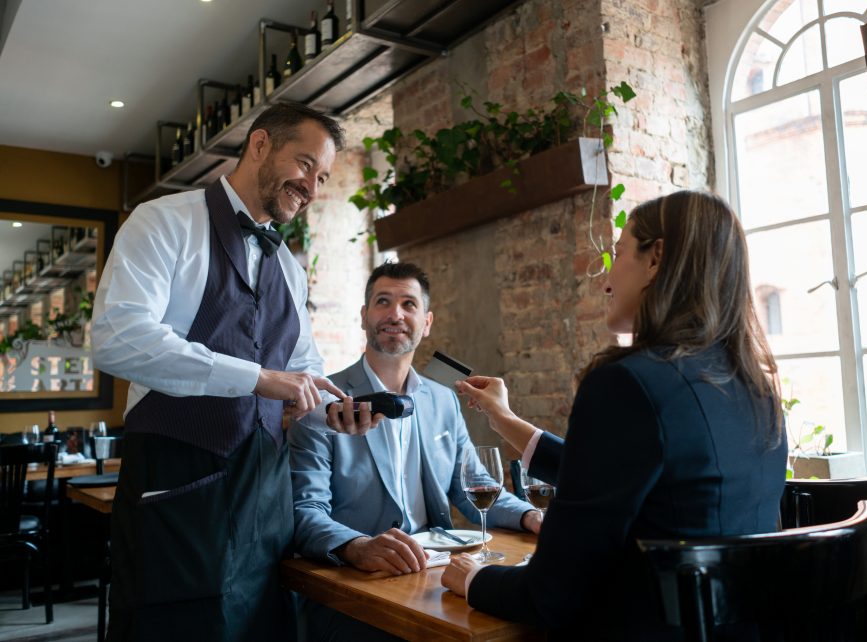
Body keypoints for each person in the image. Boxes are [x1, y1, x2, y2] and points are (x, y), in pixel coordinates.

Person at [441, 190, 789, 639]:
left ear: (655, 259)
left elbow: (551, 594)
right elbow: (640, 480)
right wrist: (507, 421)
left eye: (619, 253)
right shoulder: (755, 388)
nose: (606, 281)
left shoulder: (628, 384)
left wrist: (471, 578)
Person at [92, 102, 381, 642]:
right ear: (261, 144)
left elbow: (302, 373)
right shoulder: (164, 222)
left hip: (264, 505)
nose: (312, 189)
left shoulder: (290, 271)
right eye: (305, 166)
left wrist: (330, 409)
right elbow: (117, 337)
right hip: (177, 494)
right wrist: (257, 378)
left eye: (322, 178)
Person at [289, 261, 542, 641]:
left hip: (437, 578)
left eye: (409, 304)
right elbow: (305, 513)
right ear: (363, 316)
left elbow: (476, 489)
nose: (395, 314)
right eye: (383, 302)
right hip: (357, 590)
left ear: (426, 322)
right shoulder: (323, 402)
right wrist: (357, 547)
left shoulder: (443, 401)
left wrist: (531, 517)